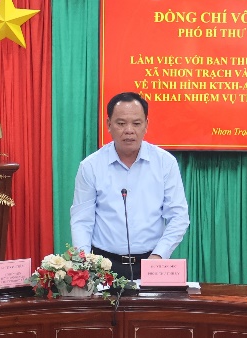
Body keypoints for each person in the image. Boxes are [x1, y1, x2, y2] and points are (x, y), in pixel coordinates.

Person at [70, 92, 191, 280]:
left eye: (136, 123)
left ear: (146, 125)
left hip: (152, 262)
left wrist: (159, 255)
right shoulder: (91, 166)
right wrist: (84, 264)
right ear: (108, 124)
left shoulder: (165, 163)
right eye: (121, 123)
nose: (129, 130)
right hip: (103, 265)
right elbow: (81, 220)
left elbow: (178, 216)